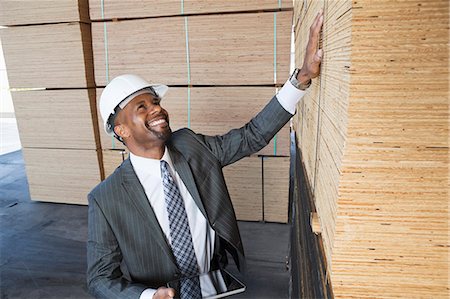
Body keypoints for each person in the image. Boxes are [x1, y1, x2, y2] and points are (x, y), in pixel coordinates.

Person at [87, 11, 324, 299]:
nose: (157, 109)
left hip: (217, 284)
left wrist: (302, 77)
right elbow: (100, 278)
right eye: (142, 107)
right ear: (121, 130)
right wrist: (146, 296)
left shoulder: (190, 145)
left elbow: (251, 136)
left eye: (155, 101)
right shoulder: (106, 198)